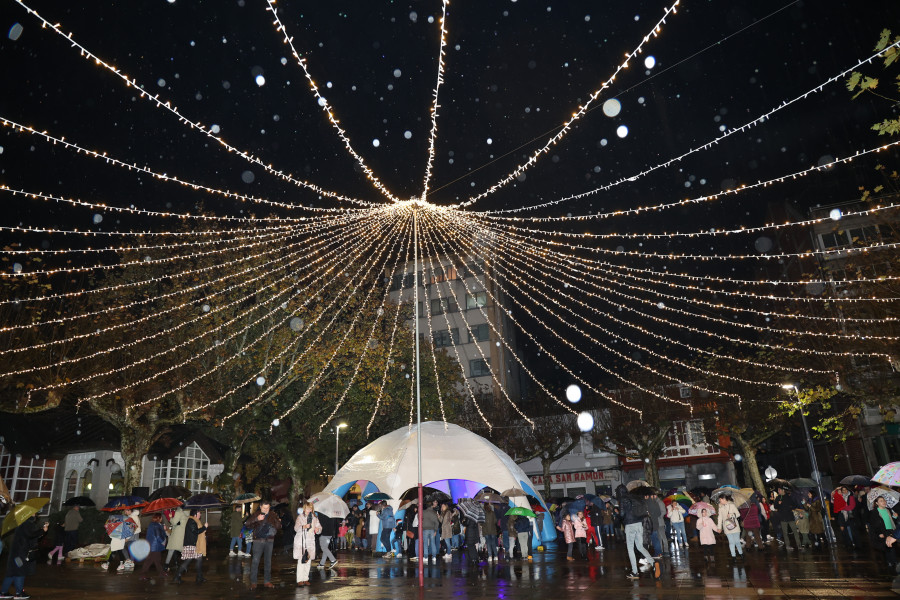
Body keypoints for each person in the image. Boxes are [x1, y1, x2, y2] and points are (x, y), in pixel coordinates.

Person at [0, 516, 47, 599]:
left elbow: (29, 536)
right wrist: (42, 530)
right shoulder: (26, 523)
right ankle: (19, 593)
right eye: (33, 513)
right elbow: (30, 535)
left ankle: (3, 592)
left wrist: (41, 531)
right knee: (20, 571)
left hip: (16, 552)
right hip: (20, 552)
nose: (35, 514)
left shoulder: (22, 523)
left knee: (11, 572)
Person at [245, 500, 282, 589]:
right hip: (258, 541)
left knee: (268, 561)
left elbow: (279, 527)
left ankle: (267, 581)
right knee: (255, 561)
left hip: (269, 541)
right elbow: (247, 525)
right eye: (264, 508)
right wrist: (257, 519)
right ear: (261, 507)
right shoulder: (256, 514)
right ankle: (253, 582)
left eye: (268, 508)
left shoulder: (273, 514)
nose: (266, 510)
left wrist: (277, 521)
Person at [617, 484, 653, 579]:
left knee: (630, 548)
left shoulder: (623, 499)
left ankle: (634, 572)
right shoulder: (635, 497)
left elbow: (621, 514)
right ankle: (653, 562)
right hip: (639, 524)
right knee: (640, 547)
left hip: (630, 525)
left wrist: (619, 516)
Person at [173, 508, 207, 584]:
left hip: (194, 544)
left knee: (199, 560)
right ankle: (177, 576)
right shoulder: (192, 521)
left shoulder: (194, 521)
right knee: (187, 561)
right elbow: (195, 531)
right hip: (191, 544)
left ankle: (199, 577)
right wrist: (204, 527)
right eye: (199, 513)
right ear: (195, 514)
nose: (200, 514)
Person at [293, 502, 321, 587]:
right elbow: (296, 528)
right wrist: (304, 526)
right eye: (308, 508)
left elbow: (320, 528)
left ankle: (306, 578)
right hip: (301, 541)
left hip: (310, 541)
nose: (309, 510)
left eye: (311, 509)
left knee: (308, 560)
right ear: (304, 509)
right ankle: (300, 579)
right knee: (301, 560)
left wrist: (317, 529)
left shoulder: (314, 518)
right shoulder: (300, 517)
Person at [869, 495, 897, 572]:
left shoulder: (889, 510)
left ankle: (894, 561)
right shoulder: (874, 512)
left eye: (884, 500)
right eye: (881, 501)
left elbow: (893, 521)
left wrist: (895, 517)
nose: (884, 502)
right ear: (877, 503)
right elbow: (873, 525)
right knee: (887, 547)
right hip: (883, 531)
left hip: (891, 530)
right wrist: (879, 533)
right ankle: (889, 562)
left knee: (892, 546)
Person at [139, 513, 168, 580]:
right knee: (151, 560)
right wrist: (163, 542)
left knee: (155, 560)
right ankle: (143, 574)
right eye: (161, 518)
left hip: (151, 545)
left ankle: (161, 573)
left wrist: (163, 528)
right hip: (155, 546)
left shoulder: (152, 524)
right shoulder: (156, 525)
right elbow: (158, 536)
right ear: (159, 518)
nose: (162, 519)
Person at [717, 495, 743, 560]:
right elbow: (720, 518)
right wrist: (719, 527)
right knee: (731, 542)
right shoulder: (720, 508)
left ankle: (741, 553)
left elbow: (738, 514)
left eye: (720, 499)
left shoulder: (732, 505)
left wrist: (731, 515)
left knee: (737, 541)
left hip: (735, 526)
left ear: (723, 499)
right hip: (726, 527)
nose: (719, 501)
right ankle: (733, 556)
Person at [164, 505, 188, 570]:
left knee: (172, 549)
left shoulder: (178, 512)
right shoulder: (186, 512)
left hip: (177, 533)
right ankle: (183, 565)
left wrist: (171, 517)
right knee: (179, 549)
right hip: (182, 533)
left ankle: (166, 565)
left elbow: (174, 522)